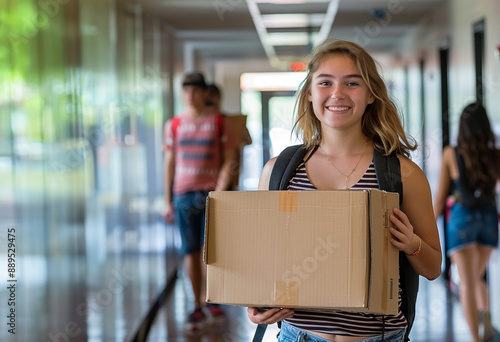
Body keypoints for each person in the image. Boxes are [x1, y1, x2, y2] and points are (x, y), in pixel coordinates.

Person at [247, 39, 442, 342]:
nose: (337, 93)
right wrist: (256, 306)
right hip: (298, 335)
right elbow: (262, 261)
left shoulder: (402, 174)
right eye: (325, 82)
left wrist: (411, 243)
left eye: (352, 83)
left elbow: (433, 268)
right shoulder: (278, 171)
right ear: (310, 93)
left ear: (371, 95)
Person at [163, 72, 237, 330]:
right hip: (183, 194)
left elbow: (229, 158)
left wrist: (219, 189)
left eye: (196, 90)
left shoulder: (218, 121)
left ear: (205, 93)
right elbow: (169, 162)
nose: (191, 96)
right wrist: (167, 200)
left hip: (210, 194)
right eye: (186, 91)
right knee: (190, 251)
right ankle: (196, 304)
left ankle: (211, 299)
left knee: (210, 252)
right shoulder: (173, 124)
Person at [433, 102, 499, 342]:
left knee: (468, 284)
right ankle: (488, 324)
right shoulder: (495, 154)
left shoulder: (452, 153)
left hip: (462, 221)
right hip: (489, 221)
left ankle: (476, 339)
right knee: (477, 277)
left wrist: (427, 228)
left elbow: (440, 198)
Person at [206, 83, 252, 189]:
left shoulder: (228, 121)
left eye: (214, 97)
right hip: (207, 176)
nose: (212, 100)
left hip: (227, 173)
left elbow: (248, 140)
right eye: (209, 97)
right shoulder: (201, 124)